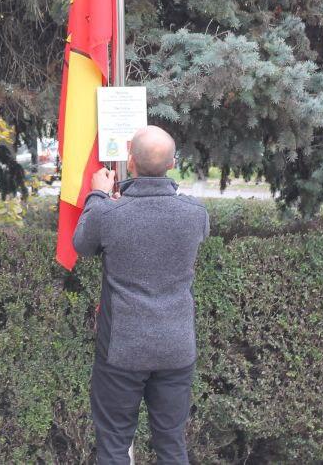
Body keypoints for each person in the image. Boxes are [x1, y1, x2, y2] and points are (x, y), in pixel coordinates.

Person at [73, 125, 210, 465]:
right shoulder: (195, 214)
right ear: (173, 163)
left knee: (115, 446)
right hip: (176, 347)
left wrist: (97, 194)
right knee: (171, 445)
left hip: (122, 349)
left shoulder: (108, 213)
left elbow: (81, 244)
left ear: (129, 160)